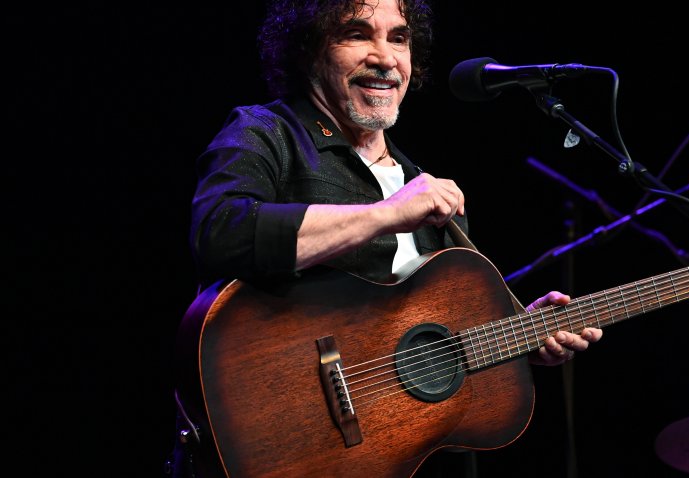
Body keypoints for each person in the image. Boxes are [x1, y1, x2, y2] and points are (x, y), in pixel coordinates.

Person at [166, 1, 603, 476]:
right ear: (309, 51)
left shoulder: (430, 193)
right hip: (286, 447)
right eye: (357, 34)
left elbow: (429, 349)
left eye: (398, 38)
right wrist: (385, 214)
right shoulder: (266, 132)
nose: (386, 57)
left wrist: (520, 335)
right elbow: (221, 232)